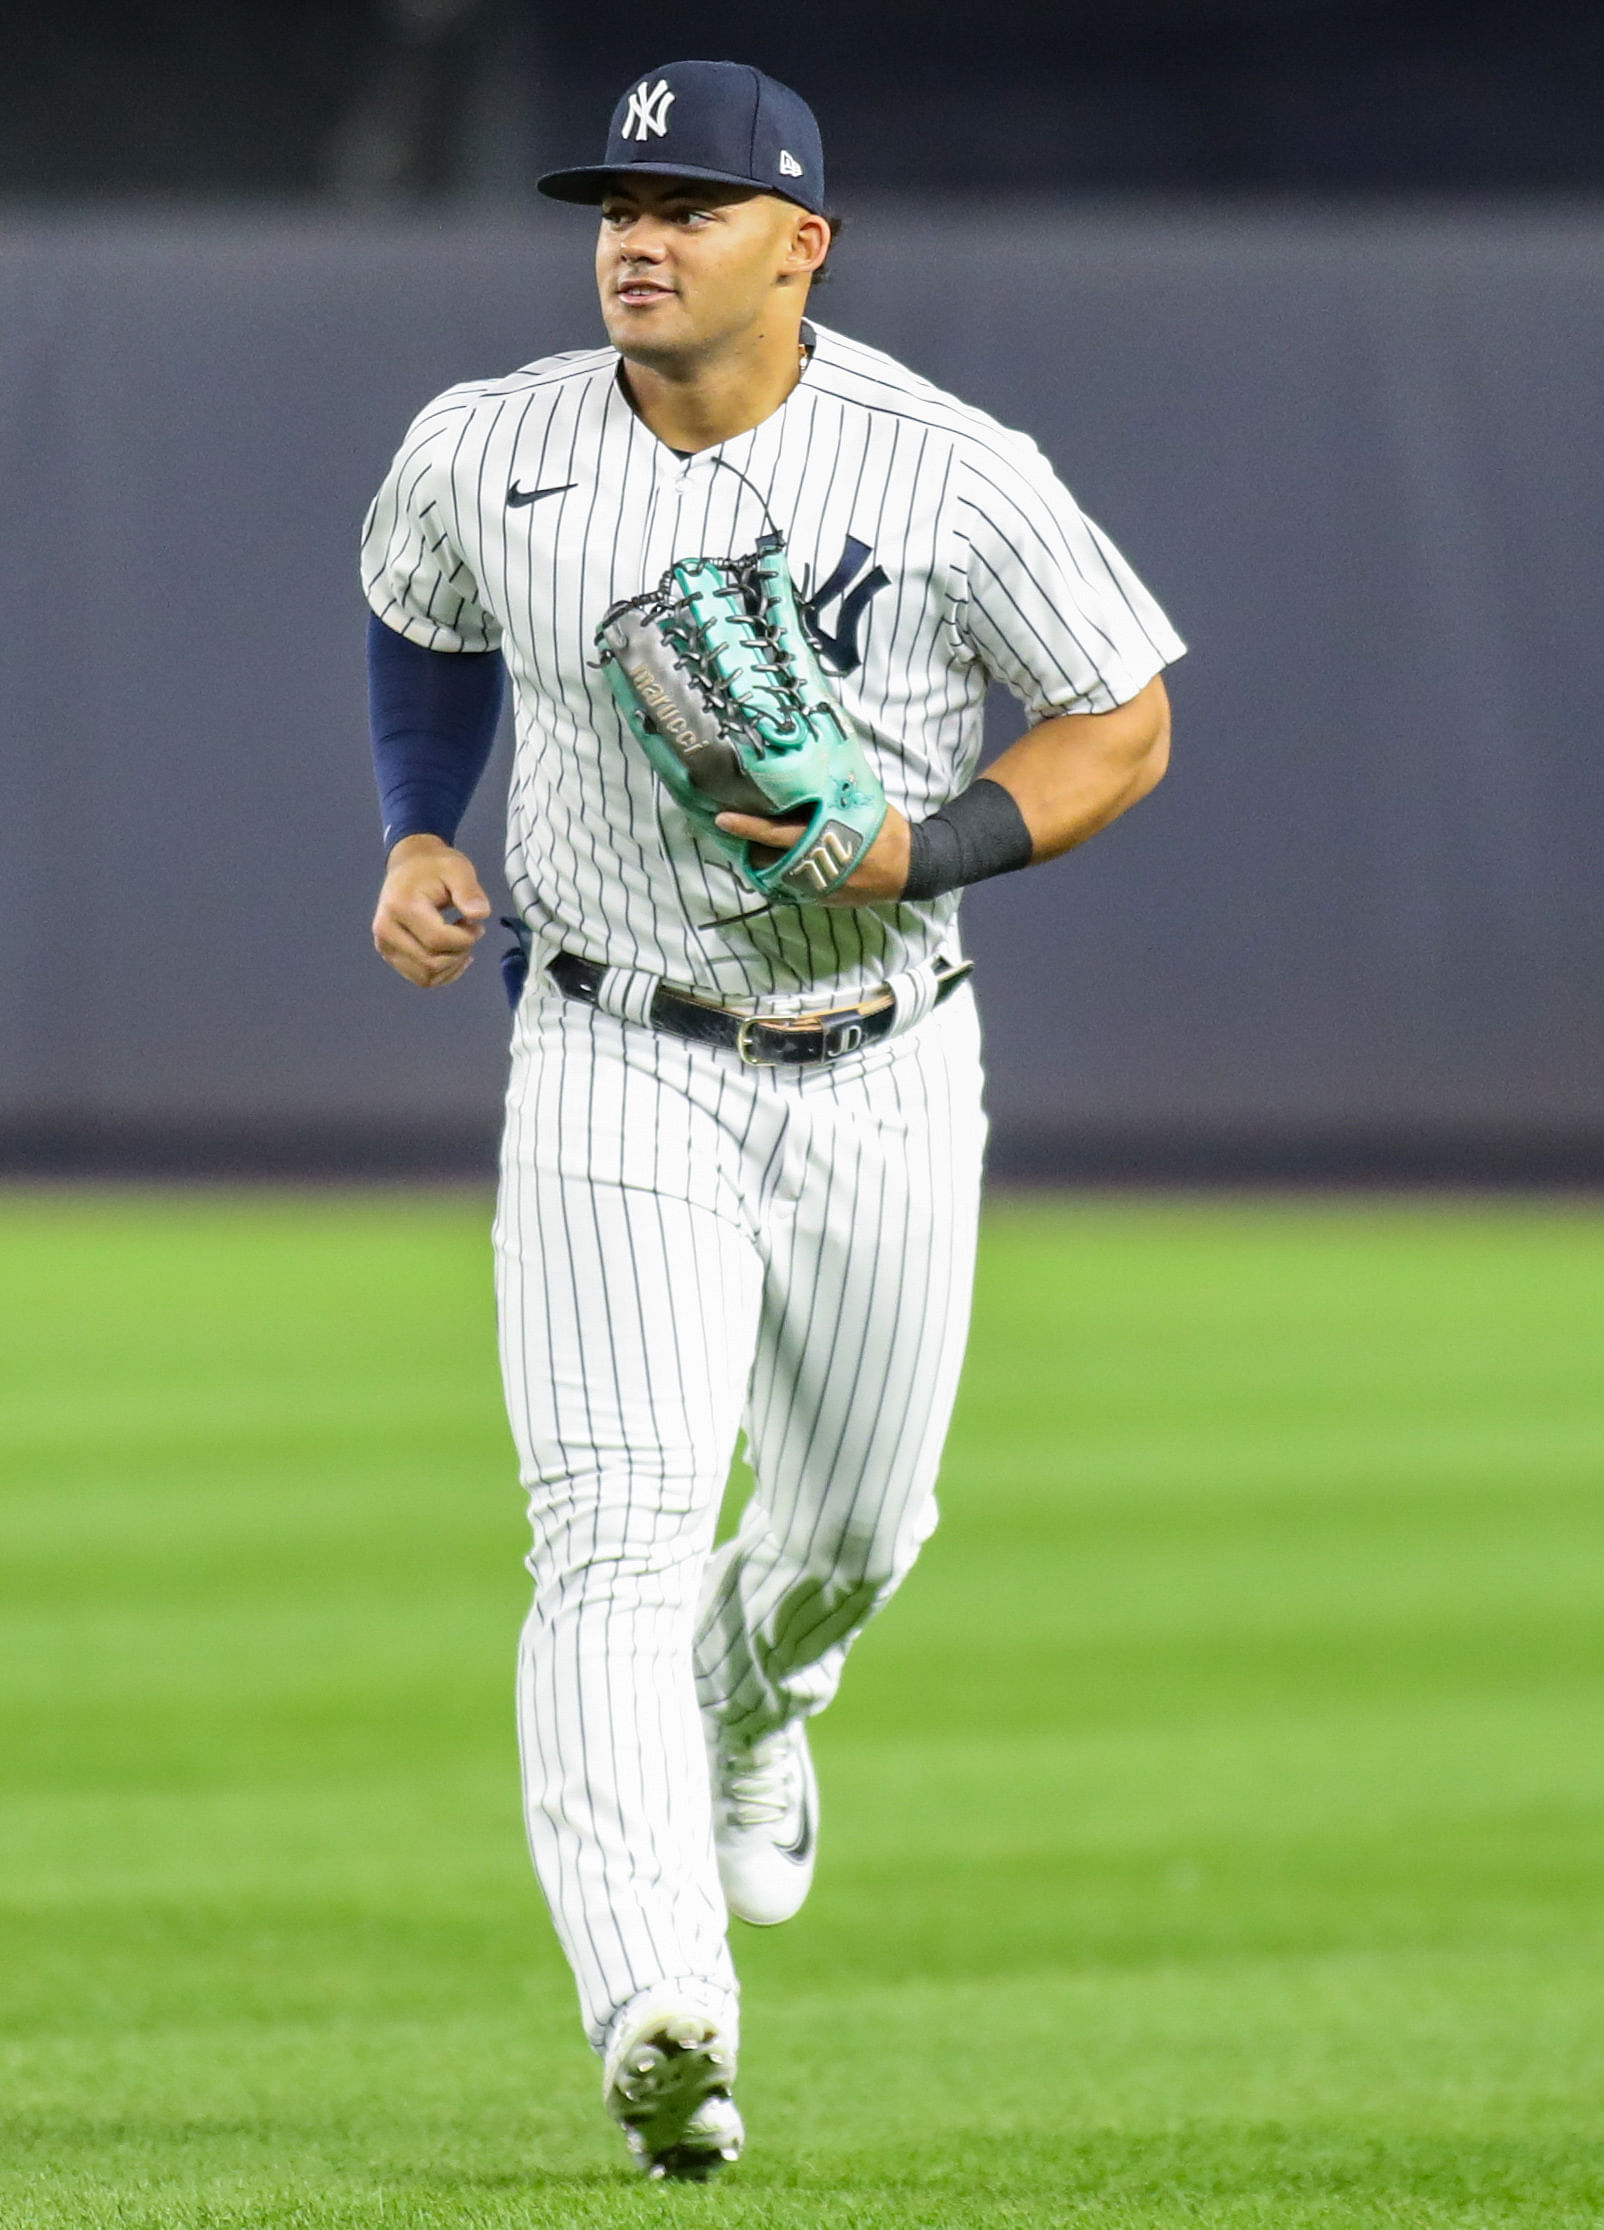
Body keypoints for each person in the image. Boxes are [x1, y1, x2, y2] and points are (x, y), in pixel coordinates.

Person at [356, 57, 1182, 2182]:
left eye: (690, 204)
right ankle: (655, 1999)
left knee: (849, 1537)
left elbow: (1124, 716)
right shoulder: (489, 444)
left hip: (887, 1047)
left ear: (797, 242)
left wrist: (928, 843)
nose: (635, 234)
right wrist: (411, 831)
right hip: (614, 1047)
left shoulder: (944, 468)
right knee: (610, 1537)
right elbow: (423, 616)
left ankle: (763, 1703)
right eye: (614, 201)